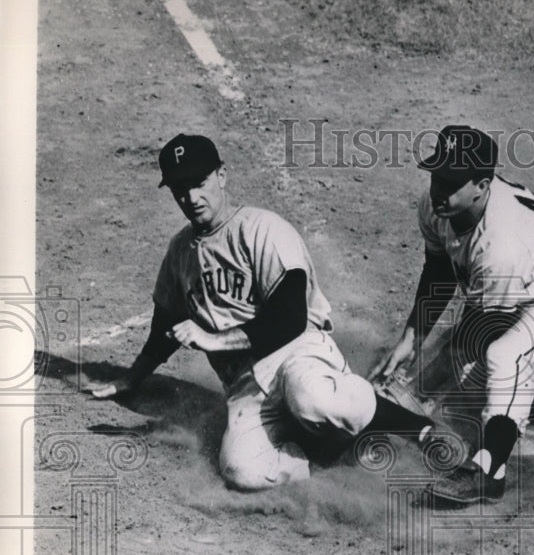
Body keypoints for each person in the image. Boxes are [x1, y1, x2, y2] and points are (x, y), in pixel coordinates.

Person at [91, 133, 442, 490]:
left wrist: (212, 340)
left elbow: (289, 319)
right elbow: (164, 323)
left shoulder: (262, 229)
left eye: (199, 183)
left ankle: (420, 429)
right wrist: (131, 378)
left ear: (222, 176)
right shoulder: (180, 251)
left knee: (312, 397)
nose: (191, 198)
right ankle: (326, 455)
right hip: (246, 388)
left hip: (296, 355)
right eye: (180, 189)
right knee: (242, 471)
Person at [371, 125, 534, 504]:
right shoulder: (437, 206)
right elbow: (438, 270)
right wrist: (411, 340)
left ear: (482, 185)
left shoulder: (500, 245)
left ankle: (489, 471)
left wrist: (419, 389)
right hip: (524, 294)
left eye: (452, 181)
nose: (440, 189)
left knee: (502, 361)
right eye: (437, 175)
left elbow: (478, 333)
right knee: (478, 375)